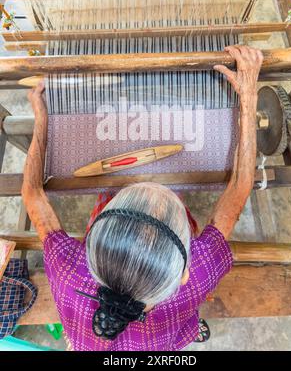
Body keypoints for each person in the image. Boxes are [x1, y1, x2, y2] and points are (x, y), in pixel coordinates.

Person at [22, 45, 263, 351]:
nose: (149, 179)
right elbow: (238, 192)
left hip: (90, 341)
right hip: (161, 343)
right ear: (183, 274)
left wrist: (41, 118)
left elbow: (31, 194)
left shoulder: (69, 273)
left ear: (95, 240)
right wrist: (249, 99)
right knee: (179, 330)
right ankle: (189, 332)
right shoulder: (196, 281)